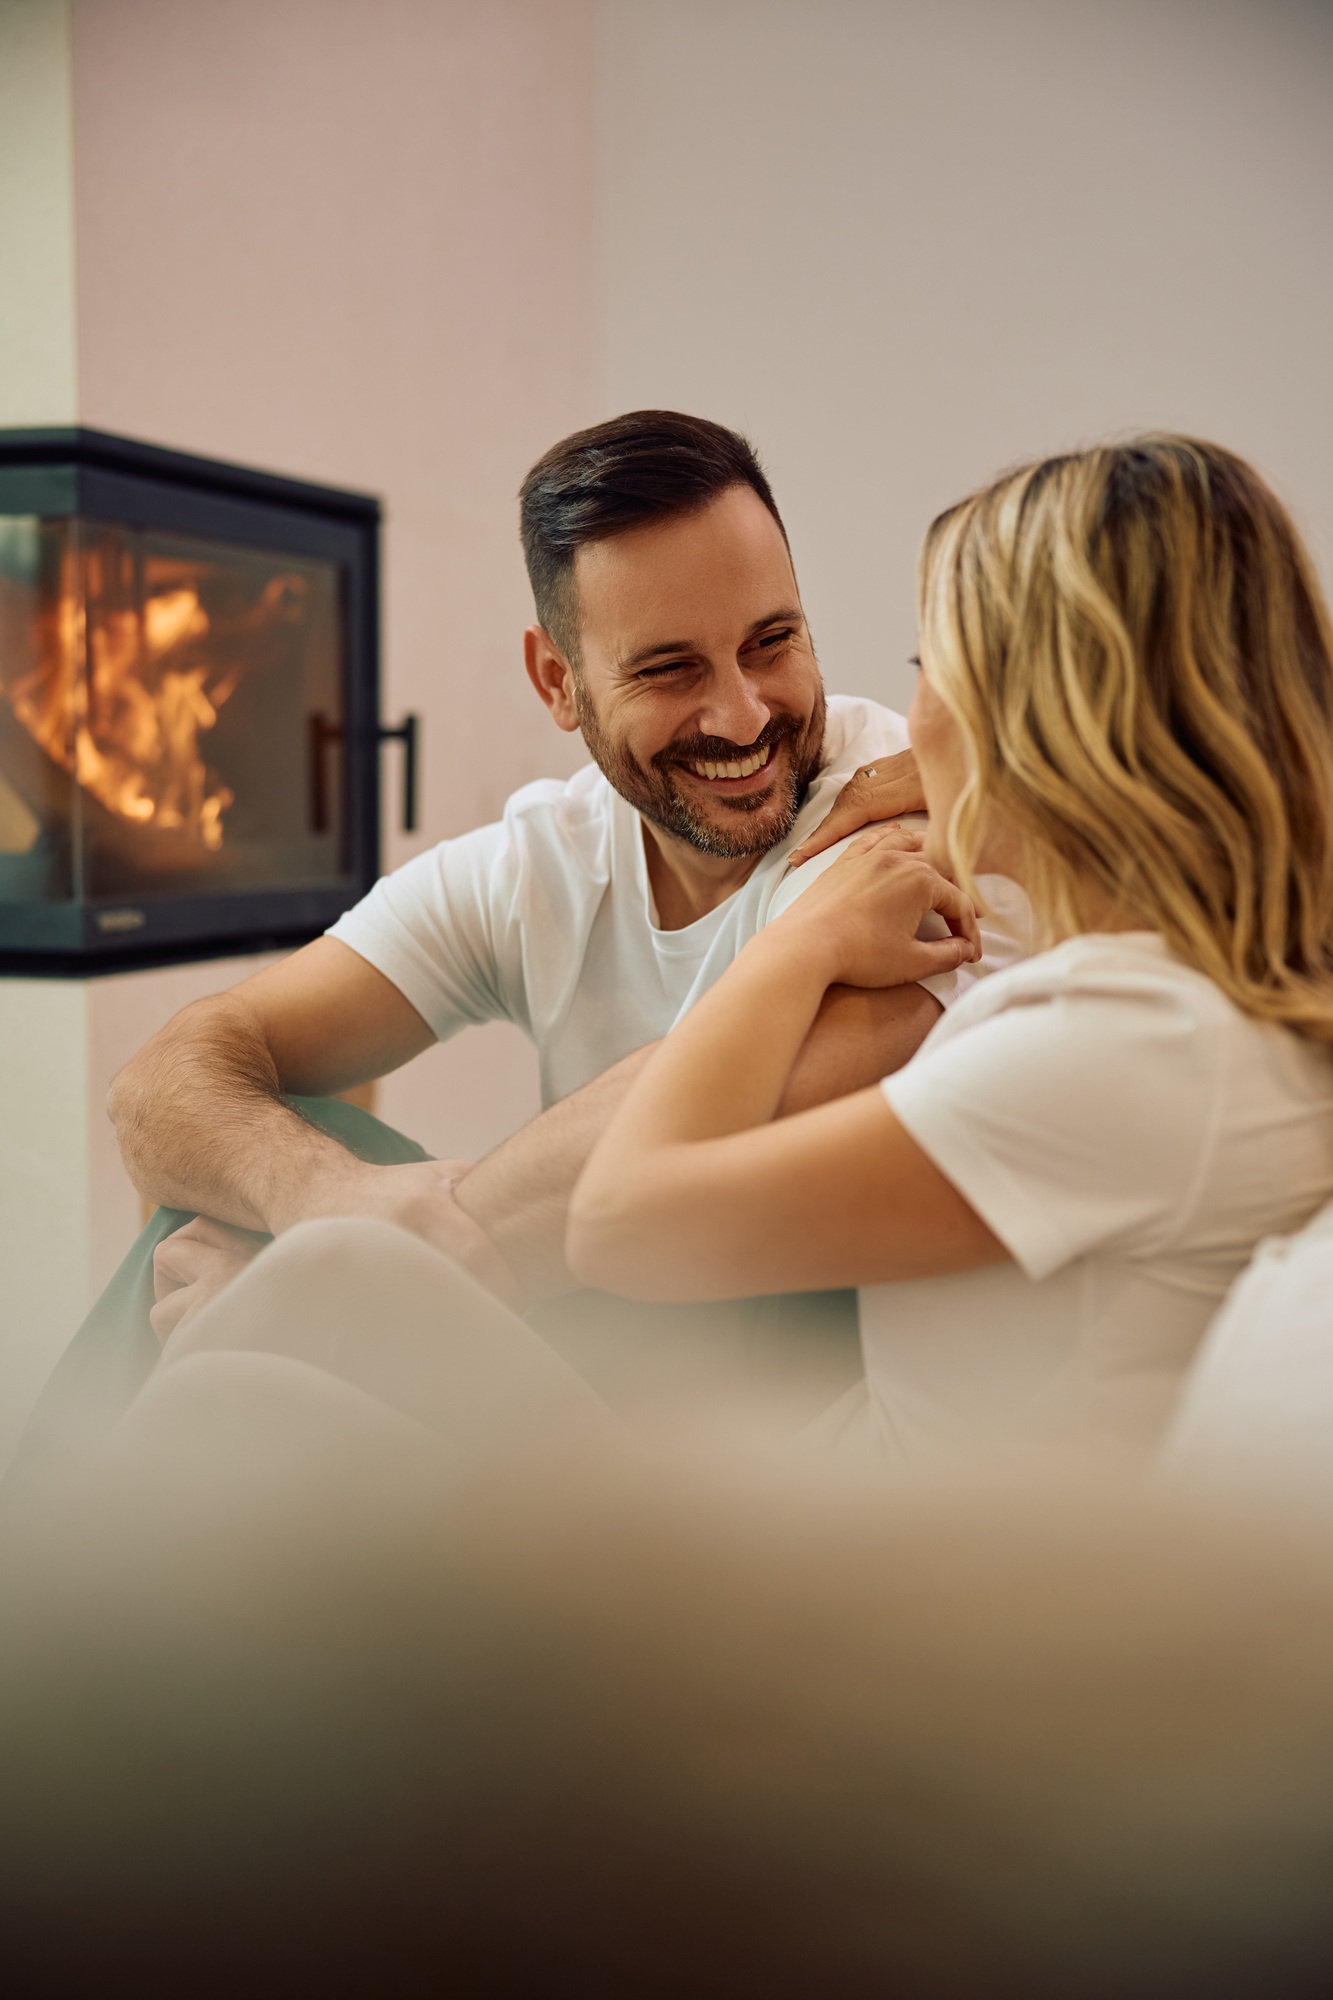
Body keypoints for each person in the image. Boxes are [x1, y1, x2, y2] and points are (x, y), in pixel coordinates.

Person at [10, 410, 1023, 1493]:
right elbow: (162, 1085)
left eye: (772, 641)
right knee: (246, 1171)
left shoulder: (896, 824)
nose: (742, 713)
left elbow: (790, 1092)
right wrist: (323, 1205)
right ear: (557, 683)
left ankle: (65, 1586)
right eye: (671, 669)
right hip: (583, 1339)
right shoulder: (545, 856)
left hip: (751, 1421)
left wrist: (344, 1282)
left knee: (252, 1280)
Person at [568, 436, 1333, 1463]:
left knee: (346, 1286)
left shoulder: (1126, 1044)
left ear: (1040, 722)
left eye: (930, 670)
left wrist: (800, 941)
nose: (907, 726)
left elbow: (621, 1221)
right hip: (840, 1519)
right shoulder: (1213, 1000)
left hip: (869, 1600)